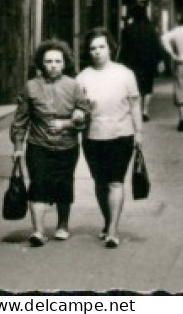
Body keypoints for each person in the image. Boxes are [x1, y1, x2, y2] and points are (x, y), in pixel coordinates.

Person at [11, 40, 86, 246]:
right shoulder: (31, 87)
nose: (53, 65)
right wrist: (18, 148)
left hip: (67, 147)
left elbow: (84, 116)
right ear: (41, 64)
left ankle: (62, 226)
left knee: (64, 185)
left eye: (57, 61)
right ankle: (38, 231)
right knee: (38, 184)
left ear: (64, 63)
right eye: (48, 61)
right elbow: (20, 121)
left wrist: (71, 121)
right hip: (38, 146)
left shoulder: (74, 86)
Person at [76, 28, 143, 249]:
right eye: (92, 48)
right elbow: (77, 108)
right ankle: (108, 221)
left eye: (101, 47)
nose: (97, 52)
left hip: (121, 135)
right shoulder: (82, 77)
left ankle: (113, 230)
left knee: (115, 181)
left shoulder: (125, 74)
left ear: (110, 48)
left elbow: (134, 104)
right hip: (92, 137)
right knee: (100, 182)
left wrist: (139, 132)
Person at [118, 5, 165, 124]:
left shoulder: (128, 29)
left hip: (132, 61)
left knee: (136, 85)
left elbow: (123, 47)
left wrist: (121, 61)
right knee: (148, 86)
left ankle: (137, 110)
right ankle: (145, 110)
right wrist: (160, 60)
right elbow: (157, 45)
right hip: (149, 60)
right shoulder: (151, 28)